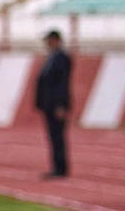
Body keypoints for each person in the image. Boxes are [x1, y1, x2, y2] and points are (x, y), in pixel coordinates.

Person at [35, 30, 72, 179]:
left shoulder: (62, 58)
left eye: (49, 40)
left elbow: (62, 84)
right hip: (48, 105)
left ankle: (60, 168)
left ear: (56, 40)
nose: (47, 44)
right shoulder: (51, 57)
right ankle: (56, 166)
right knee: (53, 136)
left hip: (56, 105)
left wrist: (61, 105)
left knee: (58, 136)